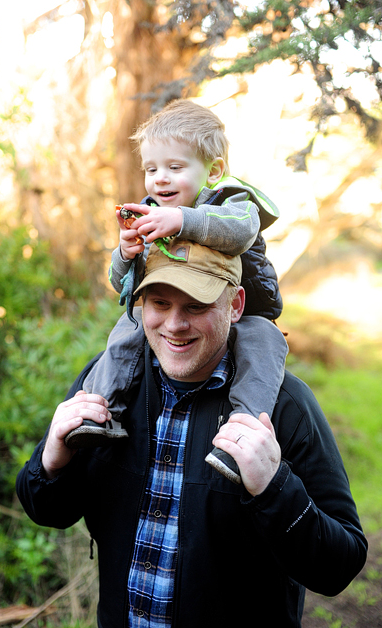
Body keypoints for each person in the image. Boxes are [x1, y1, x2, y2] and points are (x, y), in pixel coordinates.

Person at [16, 240, 367, 627]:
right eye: (159, 304)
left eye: (196, 307)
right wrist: (50, 462)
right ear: (140, 304)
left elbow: (340, 566)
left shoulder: (286, 407)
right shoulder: (105, 385)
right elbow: (51, 512)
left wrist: (275, 488)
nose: (174, 325)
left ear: (235, 305)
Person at [65, 100, 289, 484]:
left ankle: (243, 430)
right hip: (174, 301)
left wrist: (183, 220)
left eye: (175, 167)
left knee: (264, 344)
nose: (160, 180)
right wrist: (125, 253)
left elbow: (239, 231)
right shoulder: (151, 214)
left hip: (240, 309)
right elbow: (121, 285)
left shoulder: (232, 202)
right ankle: (101, 412)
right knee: (127, 329)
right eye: (151, 169)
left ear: (213, 171)